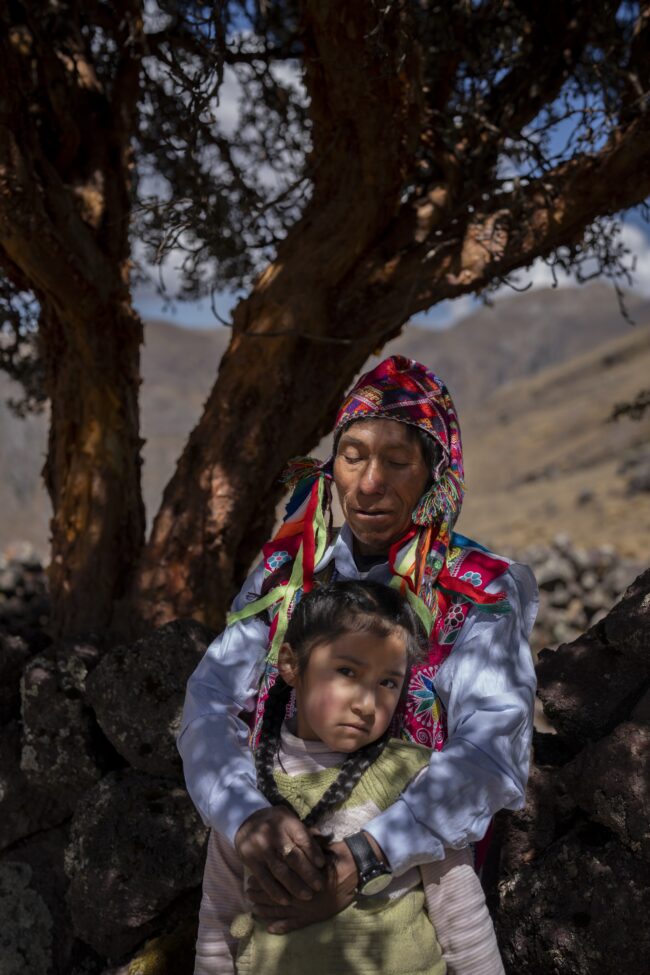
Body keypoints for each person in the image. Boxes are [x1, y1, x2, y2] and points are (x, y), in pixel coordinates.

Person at [179, 355, 537, 951]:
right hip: (277, 866)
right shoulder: (286, 573)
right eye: (353, 456)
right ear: (332, 464)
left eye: (397, 462)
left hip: (420, 885)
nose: (370, 483)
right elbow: (211, 698)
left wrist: (366, 857)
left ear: (434, 473)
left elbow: (493, 748)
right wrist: (248, 820)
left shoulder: (480, 588)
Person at [196, 579, 505, 974]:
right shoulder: (244, 793)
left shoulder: (418, 781)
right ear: (290, 664)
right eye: (346, 671)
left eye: (387, 683)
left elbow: (462, 922)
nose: (366, 703)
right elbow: (219, 926)